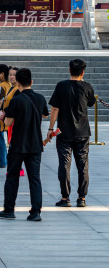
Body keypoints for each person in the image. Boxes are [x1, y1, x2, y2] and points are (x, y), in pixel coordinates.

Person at [0, 68, 49, 222]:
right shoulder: (39, 98)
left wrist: (4, 117)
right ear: (31, 82)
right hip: (35, 145)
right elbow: (45, 114)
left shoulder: (16, 100)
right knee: (35, 178)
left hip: (18, 144)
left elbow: (8, 122)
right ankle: (36, 212)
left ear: (17, 82)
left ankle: (9, 209)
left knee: (12, 176)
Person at [48, 58, 95, 208]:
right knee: (83, 165)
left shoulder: (61, 86)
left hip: (63, 133)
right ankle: (82, 198)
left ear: (69, 70)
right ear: (83, 72)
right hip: (82, 132)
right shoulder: (87, 86)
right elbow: (91, 102)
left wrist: (50, 129)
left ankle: (65, 197)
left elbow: (55, 108)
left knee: (64, 164)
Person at [0, 63, 9, 168]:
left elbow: (0, 102)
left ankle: (2, 161)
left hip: (2, 115)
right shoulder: (9, 85)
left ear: (2, 73)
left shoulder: (1, 86)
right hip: (9, 115)